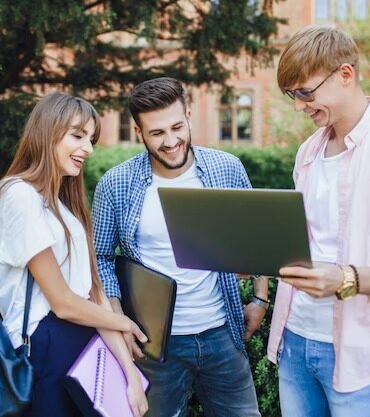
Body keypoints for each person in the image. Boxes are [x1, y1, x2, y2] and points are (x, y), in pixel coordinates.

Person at [92, 77, 269, 417]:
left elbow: (255, 234)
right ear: (139, 132)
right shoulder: (116, 183)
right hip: (155, 345)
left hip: (223, 334)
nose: (171, 141)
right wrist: (119, 323)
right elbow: (100, 257)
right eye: (157, 133)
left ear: (189, 116)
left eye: (177, 127)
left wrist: (259, 298)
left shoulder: (225, 168)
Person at [0, 92, 149, 417]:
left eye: (91, 138)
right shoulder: (20, 195)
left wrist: (130, 375)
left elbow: (93, 295)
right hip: (43, 350)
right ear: (48, 132)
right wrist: (122, 320)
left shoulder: (66, 208)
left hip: (83, 348)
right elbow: (63, 302)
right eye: (77, 135)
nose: (89, 149)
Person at [267, 25, 370, 417]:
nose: (298, 106)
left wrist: (346, 278)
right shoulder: (308, 152)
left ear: (346, 74)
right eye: (292, 95)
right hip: (295, 339)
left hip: (358, 357)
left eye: (305, 93)